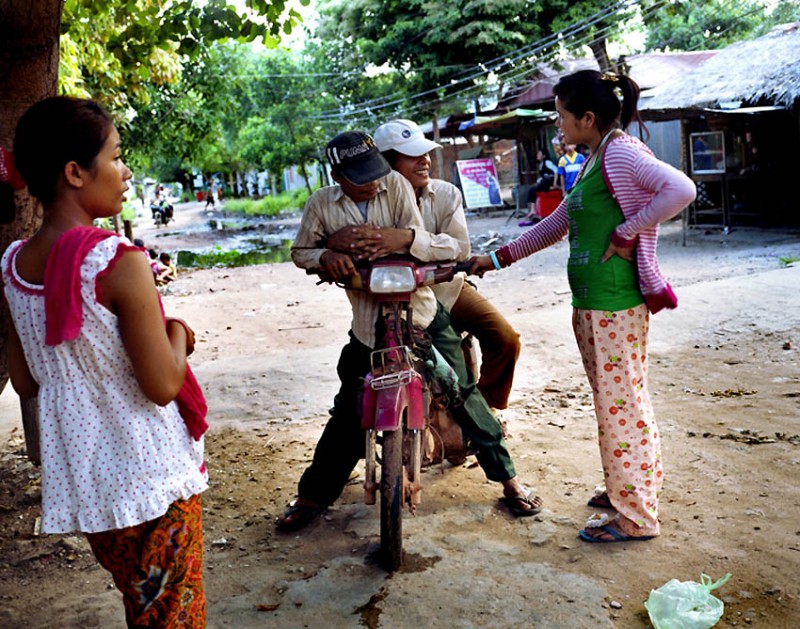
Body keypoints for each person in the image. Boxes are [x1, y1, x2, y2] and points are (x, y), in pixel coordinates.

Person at [2, 96, 208, 624]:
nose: (125, 170)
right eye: (116, 157)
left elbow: (25, 380)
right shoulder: (118, 261)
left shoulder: (14, 265)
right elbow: (162, 384)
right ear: (75, 172)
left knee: (144, 607)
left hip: (91, 483)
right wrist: (180, 334)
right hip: (150, 476)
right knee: (174, 617)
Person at [469, 70, 696, 543]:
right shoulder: (597, 158)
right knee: (619, 405)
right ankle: (627, 490)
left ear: (587, 118)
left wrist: (627, 231)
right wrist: (494, 258)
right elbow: (558, 223)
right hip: (594, 305)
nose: (557, 126)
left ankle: (635, 517)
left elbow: (681, 190)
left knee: (622, 408)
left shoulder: (622, 152)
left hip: (615, 305)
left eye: (561, 117)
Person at [277, 130, 542, 532]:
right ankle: (311, 496)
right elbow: (300, 253)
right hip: (367, 324)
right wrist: (327, 253)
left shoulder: (397, 186)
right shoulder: (320, 204)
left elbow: (430, 243)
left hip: (421, 311)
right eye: (359, 176)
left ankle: (509, 480)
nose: (371, 182)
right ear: (337, 175)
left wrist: (398, 240)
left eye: (374, 173)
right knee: (348, 408)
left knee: (462, 392)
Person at [372, 118, 520, 412]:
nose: (424, 161)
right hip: (393, 299)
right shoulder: (374, 200)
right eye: (412, 156)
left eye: (425, 153)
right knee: (362, 368)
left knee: (506, 340)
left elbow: (459, 247)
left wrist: (408, 239)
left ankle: (486, 412)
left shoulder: (446, 194)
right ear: (387, 163)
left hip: (447, 289)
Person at [518, 147, 559, 226]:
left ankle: (533, 210)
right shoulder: (541, 164)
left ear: (544, 155)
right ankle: (533, 210)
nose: (537, 155)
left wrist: (555, 183)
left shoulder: (547, 162)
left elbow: (556, 171)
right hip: (545, 182)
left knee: (533, 190)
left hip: (550, 181)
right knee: (532, 190)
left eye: (539, 154)